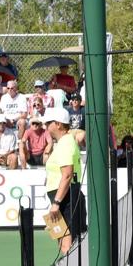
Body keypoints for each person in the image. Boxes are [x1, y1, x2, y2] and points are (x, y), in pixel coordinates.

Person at [43, 107, 86, 253]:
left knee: (68, 245)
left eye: (48, 123)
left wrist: (56, 203)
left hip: (66, 199)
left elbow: (67, 174)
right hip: (64, 198)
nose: (46, 127)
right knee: (63, 243)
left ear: (58, 124)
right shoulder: (63, 142)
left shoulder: (66, 142)